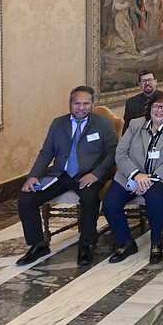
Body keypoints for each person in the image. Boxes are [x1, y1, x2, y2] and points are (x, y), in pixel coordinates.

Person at [16, 86, 118, 267]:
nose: (81, 107)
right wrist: (33, 176)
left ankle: (86, 244)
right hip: (61, 174)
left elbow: (112, 153)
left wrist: (96, 174)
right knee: (26, 200)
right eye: (77, 103)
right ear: (70, 104)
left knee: (89, 198)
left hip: (89, 175)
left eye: (86, 103)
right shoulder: (58, 123)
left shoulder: (103, 124)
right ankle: (38, 244)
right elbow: (46, 152)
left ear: (93, 104)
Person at [104, 91, 163, 264]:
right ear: (150, 108)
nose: (159, 110)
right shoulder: (135, 125)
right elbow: (120, 153)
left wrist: (148, 179)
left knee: (155, 198)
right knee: (110, 203)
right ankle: (126, 242)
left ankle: (156, 241)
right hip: (130, 174)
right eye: (156, 106)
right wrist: (136, 175)